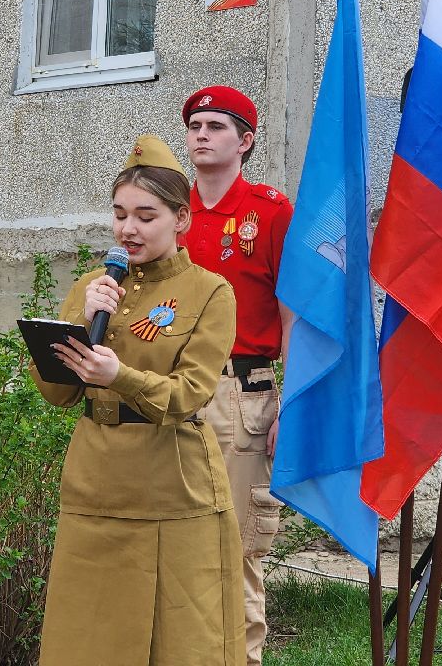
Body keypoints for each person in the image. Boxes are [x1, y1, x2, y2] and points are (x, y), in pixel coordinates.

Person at [31, 135, 246, 666]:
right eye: (120, 213)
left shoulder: (210, 292)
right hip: (94, 485)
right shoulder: (93, 286)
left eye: (146, 216)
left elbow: (190, 393)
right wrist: (83, 327)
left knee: (179, 644)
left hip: (171, 487)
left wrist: (118, 374)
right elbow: (56, 392)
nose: (128, 229)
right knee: (88, 642)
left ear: (181, 220)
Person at [179, 86, 292, 666]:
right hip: (172, 393)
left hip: (239, 391)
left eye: (217, 126)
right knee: (175, 542)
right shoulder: (172, 212)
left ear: (245, 140)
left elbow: (297, 309)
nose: (202, 134)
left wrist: (292, 404)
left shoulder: (269, 212)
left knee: (236, 547)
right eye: (195, 124)